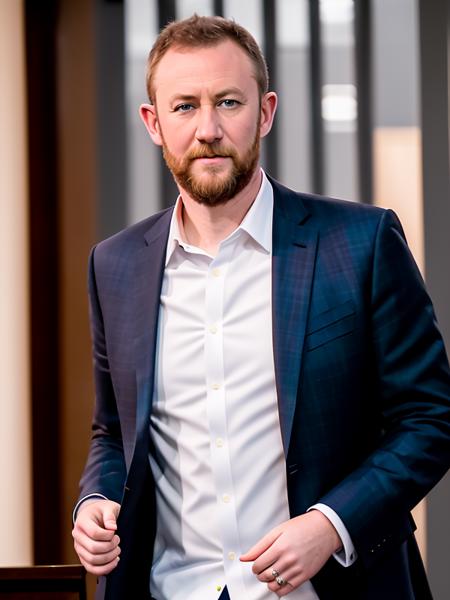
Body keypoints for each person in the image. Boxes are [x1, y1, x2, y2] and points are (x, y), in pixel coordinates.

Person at [72, 14, 450, 600]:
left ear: (266, 112)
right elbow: (113, 430)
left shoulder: (361, 243)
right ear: (153, 123)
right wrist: (96, 498)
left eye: (228, 101)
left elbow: (430, 419)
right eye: (183, 107)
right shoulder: (114, 265)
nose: (208, 129)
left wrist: (331, 524)